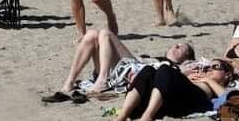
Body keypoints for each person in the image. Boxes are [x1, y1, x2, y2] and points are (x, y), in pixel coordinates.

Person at [54, 28, 195, 96]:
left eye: (182, 48)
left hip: (133, 72)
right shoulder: (154, 58)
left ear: (186, 59)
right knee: (92, 34)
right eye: (175, 44)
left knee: (105, 33)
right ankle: (69, 82)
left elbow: (196, 69)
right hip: (121, 69)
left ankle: (102, 79)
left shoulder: (174, 68)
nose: (176, 46)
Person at [115, 56, 232, 121]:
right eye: (207, 67)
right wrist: (183, 76)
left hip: (190, 101)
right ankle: (123, 115)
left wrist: (208, 80)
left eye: (215, 67)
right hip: (168, 100)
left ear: (227, 75)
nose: (209, 69)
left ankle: (147, 116)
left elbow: (228, 98)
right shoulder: (195, 77)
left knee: (165, 69)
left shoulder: (219, 86)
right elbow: (165, 81)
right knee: (148, 70)